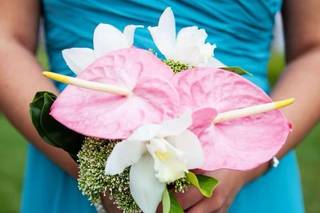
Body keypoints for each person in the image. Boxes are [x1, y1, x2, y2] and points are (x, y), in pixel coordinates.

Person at [0, 1, 319, 213]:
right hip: (72, 162)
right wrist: (89, 161)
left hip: (244, 163)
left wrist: (249, 165)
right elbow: (5, 38)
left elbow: (314, 48)